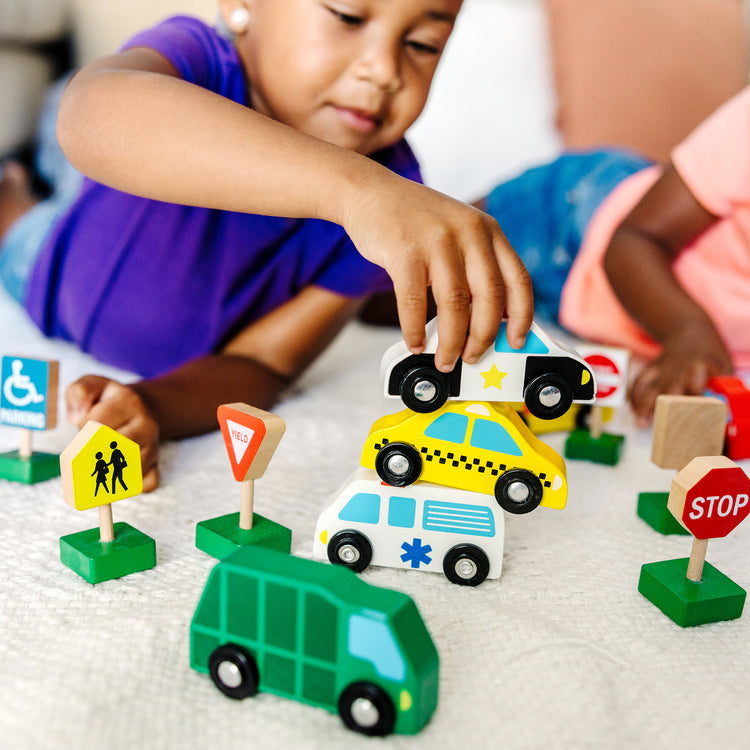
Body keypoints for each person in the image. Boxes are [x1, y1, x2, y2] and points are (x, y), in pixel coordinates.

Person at [0, 0, 533, 490]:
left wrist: (153, 405)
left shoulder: (392, 197)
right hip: (51, 260)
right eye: (348, 16)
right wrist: (355, 192)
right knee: (22, 197)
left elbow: (266, 363)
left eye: (422, 45)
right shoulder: (200, 60)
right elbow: (90, 115)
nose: (385, 70)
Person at [474, 86, 750, 426]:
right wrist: (688, 332)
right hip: (574, 222)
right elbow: (636, 239)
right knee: (410, 279)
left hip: (585, 313)